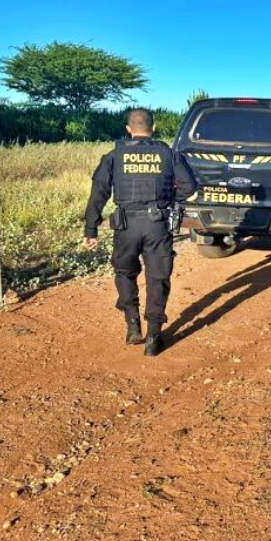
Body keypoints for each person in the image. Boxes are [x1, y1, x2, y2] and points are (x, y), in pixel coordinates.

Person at [83, 108, 197, 357]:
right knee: (158, 277)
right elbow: (189, 186)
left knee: (125, 272)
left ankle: (132, 325)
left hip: (125, 226)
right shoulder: (168, 154)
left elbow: (98, 194)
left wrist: (91, 229)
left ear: (128, 129)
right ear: (153, 128)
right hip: (157, 224)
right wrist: (166, 200)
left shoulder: (114, 156)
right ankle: (154, 336)